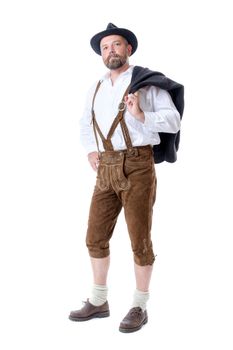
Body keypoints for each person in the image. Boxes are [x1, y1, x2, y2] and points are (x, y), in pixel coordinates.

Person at [69, 23, 184, 333]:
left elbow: (173, 120)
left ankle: (139, 306)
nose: (111, 51)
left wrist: (141, 115)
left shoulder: (147, 82)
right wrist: (91, 150)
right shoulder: (96, 87)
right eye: (106, 47)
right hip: (105, 166)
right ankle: (98, 300)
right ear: (101, 54)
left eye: (117, 45)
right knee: (94, 236)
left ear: (128, 49)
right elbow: (84, 124)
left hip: (137, 165)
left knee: (139, 240)